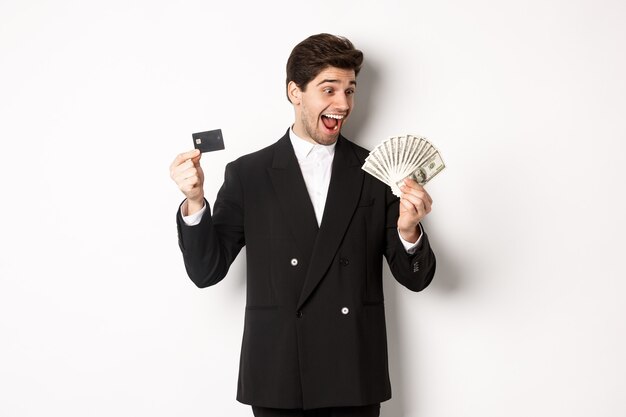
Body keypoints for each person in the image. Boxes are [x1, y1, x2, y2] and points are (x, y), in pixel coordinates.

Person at [169, 33, 436, 417]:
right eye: (329, 89)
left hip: (353, 375)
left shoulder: (376, 174)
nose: (343, 104)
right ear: (295, 92)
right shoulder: (249, 174)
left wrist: (408, 232)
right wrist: (195, 202)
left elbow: (416, 278)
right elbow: (205, 271)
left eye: (350, 90)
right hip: (279, 377)